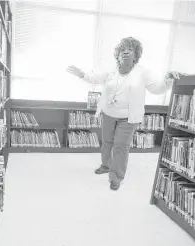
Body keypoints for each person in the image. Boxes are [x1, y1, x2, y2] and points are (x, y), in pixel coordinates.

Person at [67, 36, 181, 191]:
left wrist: (167, 79)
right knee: (107, 142)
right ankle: (106, 165)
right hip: (108, 113)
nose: (126, 52)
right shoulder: (110, 71)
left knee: (121, 146)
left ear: (136, 55)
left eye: (130, 50)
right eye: (123, 50)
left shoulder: (143, 73)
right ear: (117, 54)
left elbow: (157, 88)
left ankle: (116, 177)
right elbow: (93, 77)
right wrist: (81, 74)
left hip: (128, 118)